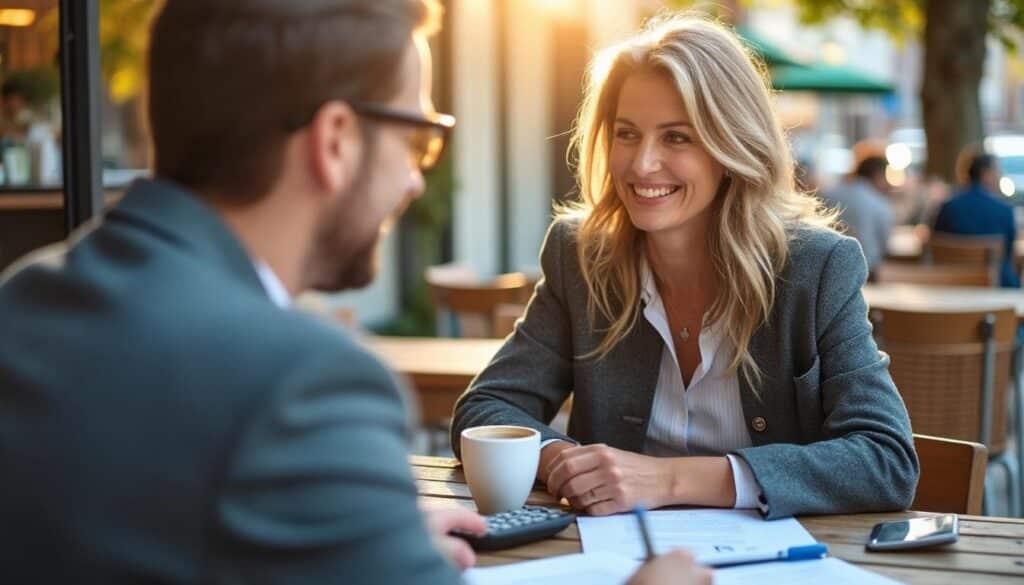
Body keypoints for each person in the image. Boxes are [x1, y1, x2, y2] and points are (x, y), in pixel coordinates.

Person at [0, 1, 709, 584]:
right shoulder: (303, 384)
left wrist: (355, 528)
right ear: (335, 140)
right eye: (419, 141)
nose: (413, 181)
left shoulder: (24, 301)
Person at [452, 15, 918, 521]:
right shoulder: (581, 256)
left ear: (732, 147)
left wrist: (668, 479)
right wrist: (567, 461)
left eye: (677, 138)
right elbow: (485, 408)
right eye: (626, 134)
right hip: (613, 560)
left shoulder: (816, 267)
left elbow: (886, 459)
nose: (641, 164)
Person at [934, 152, 1021, 288]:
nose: (1000, 176)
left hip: (951, 284)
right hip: (997, 286)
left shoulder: (947, 207)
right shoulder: (1004, 210)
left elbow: (936, 244)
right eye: (997, 171)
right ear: (986, 174)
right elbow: (1009, 254)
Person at [821, 155, 894, 278]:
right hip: (866, 271)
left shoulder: (829, 193)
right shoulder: (879, 202)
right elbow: (884, 241)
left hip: (826, 268)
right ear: (878, 175)